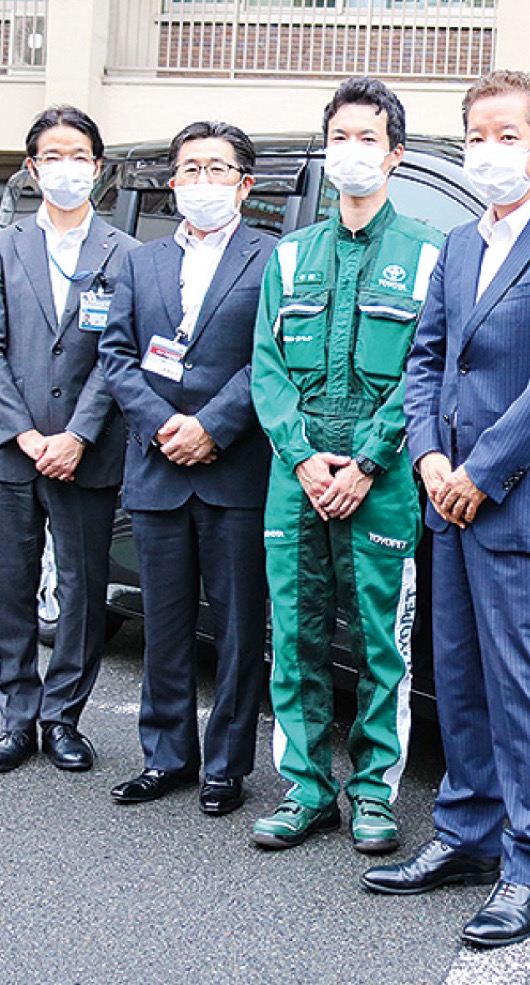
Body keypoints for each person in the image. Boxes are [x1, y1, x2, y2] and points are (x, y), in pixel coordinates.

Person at [361, 70, 530, 948]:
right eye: (478, 134)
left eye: (507, 134)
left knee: (526, 695)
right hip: (450, 497)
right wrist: (433, 458)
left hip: (521, 503)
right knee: (461, 684)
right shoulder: (461, 244)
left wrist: (479, 470)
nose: (489, 150)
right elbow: (426, 361)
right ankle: (465, 836)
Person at [249, 77, 442, 854]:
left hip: (384, 478)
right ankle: (305, 788)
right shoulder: (291, 256)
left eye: (367, 138)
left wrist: (363, 462)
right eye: (339, 138)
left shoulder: (429, 252)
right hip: (297, 478)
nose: (351, 151)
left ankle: (372, 794)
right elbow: (266, 369)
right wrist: (301, 459)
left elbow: (424, 371)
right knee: (292, 636)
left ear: (395, 153)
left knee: (378, 643)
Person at [100, 121, 274, 816]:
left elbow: (274, 355)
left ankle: (227, 766)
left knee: (237, 627)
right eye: (191, 169)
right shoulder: (140, 262)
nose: (204, 180)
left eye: (218, 168)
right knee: (164, 624)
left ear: (245, 183)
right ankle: (167, 755)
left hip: (234, 470)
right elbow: (115, 354)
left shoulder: (274, 258)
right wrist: (162, 424)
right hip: (158, 467)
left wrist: (212, 425)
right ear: (174, 182)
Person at [0, 107, 137, 774]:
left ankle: (63, 718)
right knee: (12, 582)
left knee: (83, 590)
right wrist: (23, 432)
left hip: (89, 451)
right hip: (12, 448)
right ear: (31, 169)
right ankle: (16, 714)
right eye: (52, 156)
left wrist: (79, 433)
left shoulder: (127, 253)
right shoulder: (4, 246)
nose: (66, 167)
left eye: (78, 155)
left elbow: (120, 357)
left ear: (98, 166)